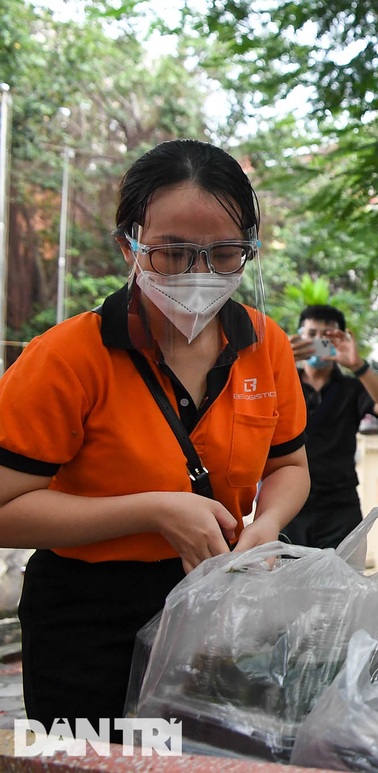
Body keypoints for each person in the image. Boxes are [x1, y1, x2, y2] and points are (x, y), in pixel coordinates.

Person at [0, 139, 309, 729]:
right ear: (129, 246)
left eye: (224, 253)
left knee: (209, 762)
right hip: (89, 618)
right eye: (172, 252)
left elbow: (289, 467)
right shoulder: (66, 357)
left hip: (219, 607)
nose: (200, 274)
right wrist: (152, 511)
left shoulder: (264, 345)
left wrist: (265, 528)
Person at [284, 304, 378, 549]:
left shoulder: (353, 388)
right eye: (311, 334)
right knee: (285, 583)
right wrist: (279, 358)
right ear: (298, 336)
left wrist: (357, 364)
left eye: (327, 335)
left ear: (341, 339)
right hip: (286, 504)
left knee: (342, 584)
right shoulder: (282, 380)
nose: (318, 340)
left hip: (339, 506)